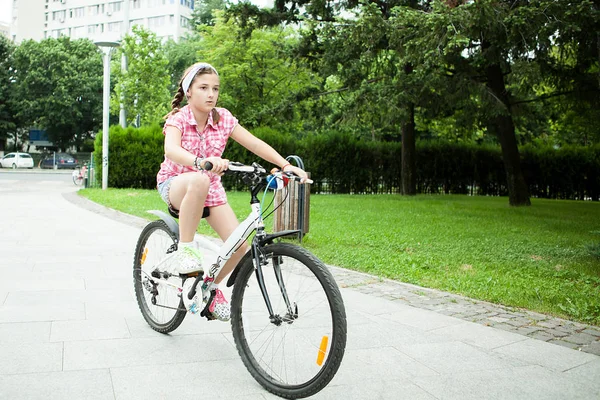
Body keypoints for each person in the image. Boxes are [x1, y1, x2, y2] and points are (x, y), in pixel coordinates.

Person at [156, 62, 308, 322]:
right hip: (177, 184)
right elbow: (171, 150)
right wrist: (199, 162)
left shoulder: (223, 118)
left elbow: (254, 143)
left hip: (210, 189)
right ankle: (186, 250)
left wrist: (284, 165)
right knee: (200, 181)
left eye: (215, 88)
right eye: (203, 88)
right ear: (189, 91)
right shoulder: (178, 119)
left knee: (239, 247)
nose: (211, 94)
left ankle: (208, 289)